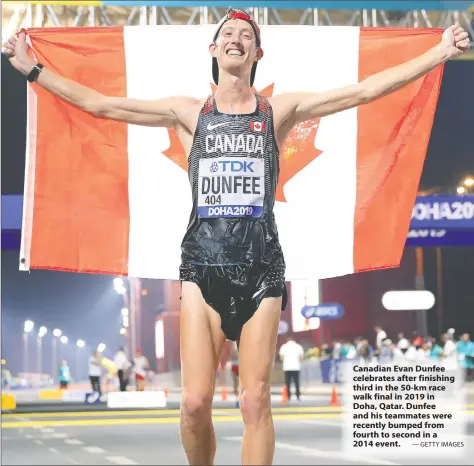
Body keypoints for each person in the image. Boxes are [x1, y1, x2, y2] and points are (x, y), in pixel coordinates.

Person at [3, 9, 470, 465]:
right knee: (194, 404)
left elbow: (365, 90)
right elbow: (100, 105)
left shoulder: (278, 110)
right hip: (201, 268)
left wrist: (440, 52)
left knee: (254, 401)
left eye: (246, 35)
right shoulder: (187, 112)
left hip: (262, 268)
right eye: (228, 32)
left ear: (256, 53)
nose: (237, 39)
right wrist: (34, 70)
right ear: (213, 49)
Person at [279, 337, 304, 401]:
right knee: (297, 382)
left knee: (288, 383)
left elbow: (281, 357)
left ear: (287, 340)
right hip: (296, 367)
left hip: (287, 367)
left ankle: (288, 396)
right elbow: (301, 357)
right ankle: (298, 396)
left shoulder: (284, 347)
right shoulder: (298, 346)